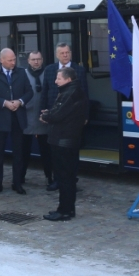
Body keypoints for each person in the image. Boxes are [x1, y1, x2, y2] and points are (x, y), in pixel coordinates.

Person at [40, 67, 89, 221]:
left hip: (64, 142)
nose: (55, 81)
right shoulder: (72, 91)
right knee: (66, 177)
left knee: (65, 178)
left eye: (59, 78)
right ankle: (66, 209)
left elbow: (58, 114)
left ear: (68, 79)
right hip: (66, 140)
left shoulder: (71, 93)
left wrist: (47, 116)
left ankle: (65, 211)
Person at [0, 48, 34, 195]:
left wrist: (20, 101)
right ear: (2, 60)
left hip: (17, 117)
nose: (13, 62)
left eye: (14, 59)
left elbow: (29, 92)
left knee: (18, 153)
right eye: (10, 60)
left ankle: (17, 183)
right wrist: (4, 103)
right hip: (1, 117)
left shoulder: (21, 72)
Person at [40, 42, 88, 191]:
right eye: (62, 53)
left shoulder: (78, 70)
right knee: (55, 151)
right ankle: (56, 179)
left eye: (67, 52)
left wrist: (85, 115)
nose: (65, 55)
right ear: (57, 55)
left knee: (71, 151)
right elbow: (45, 91)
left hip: (72, 120)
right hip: (54, 117)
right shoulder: (49, 70)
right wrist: (43, 111)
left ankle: (71, 179)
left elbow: (85, 94)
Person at [20, 51, 51, 188]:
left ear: (42, 59)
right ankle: (20, 177)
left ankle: (49, 177)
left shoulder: (48, 74)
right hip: (26, 118)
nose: (36, 62)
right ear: (28, 60)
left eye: (38, 59)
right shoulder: (22, 75)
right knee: (23, 151)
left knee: (46, 152)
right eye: (33, 59)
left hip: (43, 118)